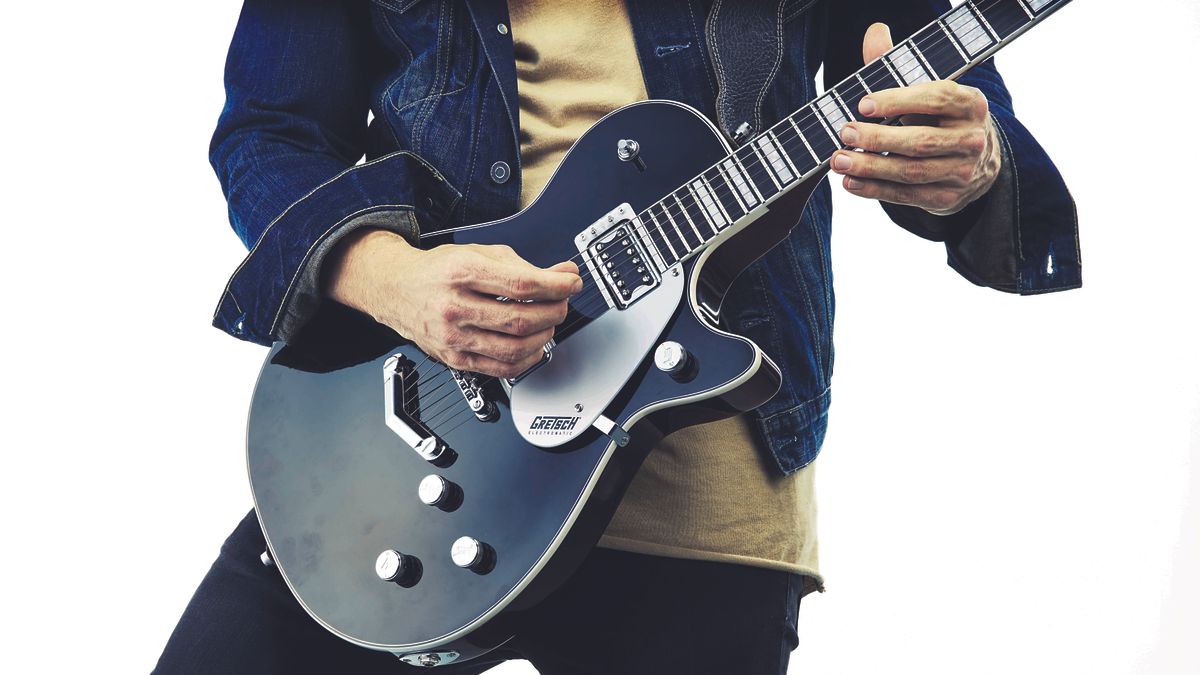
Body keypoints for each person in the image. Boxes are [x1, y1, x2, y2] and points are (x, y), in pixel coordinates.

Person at [155, 0, 1081, 673]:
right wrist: (394, 280)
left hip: (702, 459)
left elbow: (945, 97)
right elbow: (268, 132)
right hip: (401, 441)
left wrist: (974, 158)